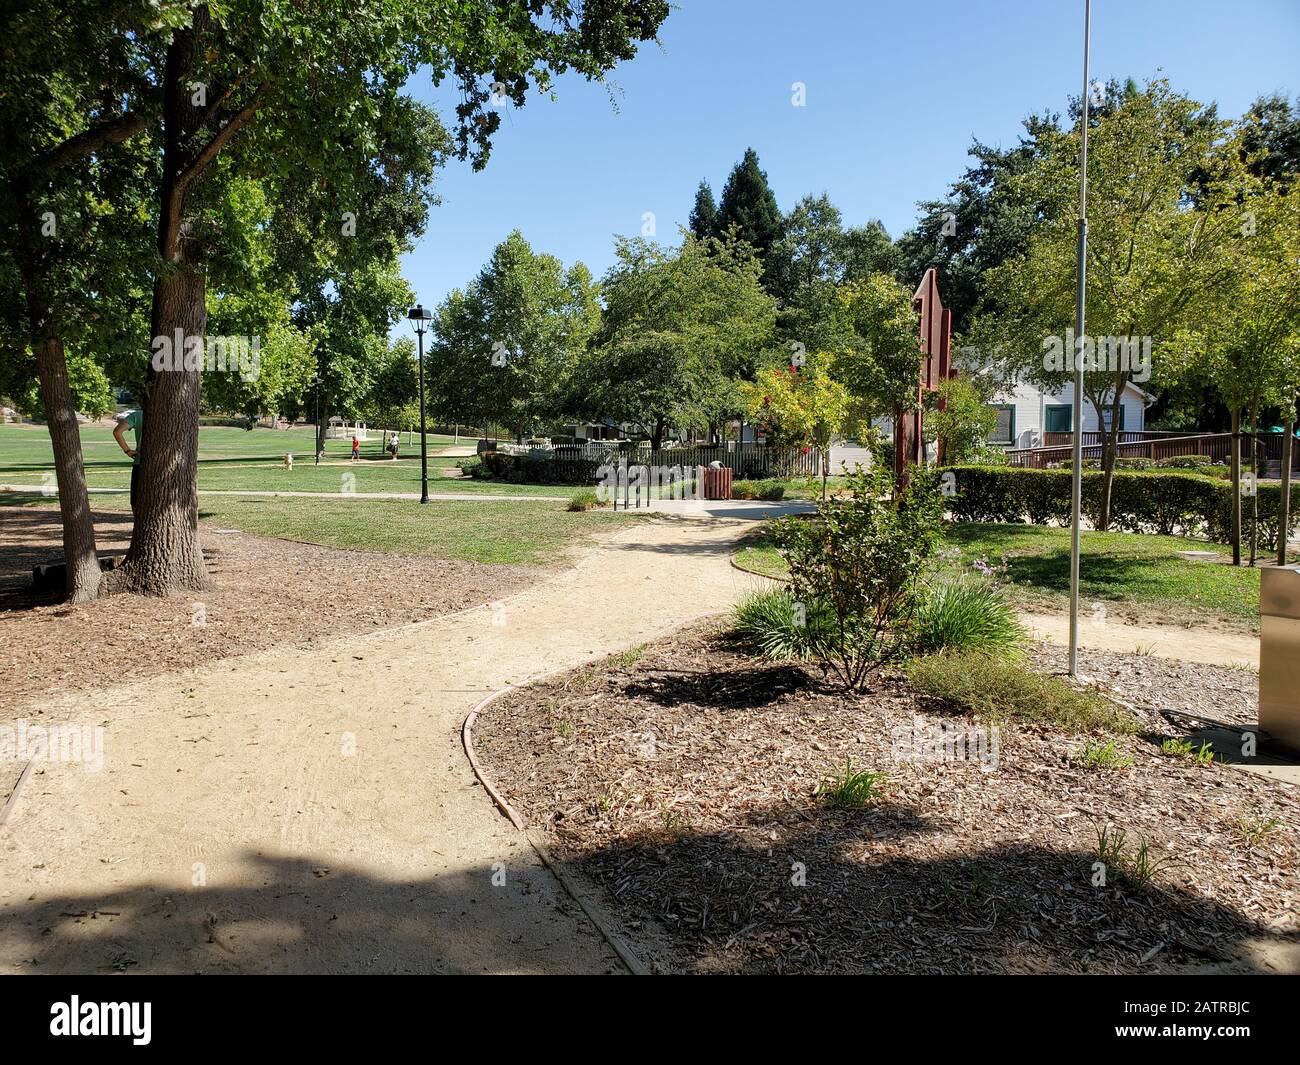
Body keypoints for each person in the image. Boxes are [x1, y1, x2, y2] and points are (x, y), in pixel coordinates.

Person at [112, 409, 144, 512]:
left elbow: (117, 432)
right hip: (166, 465)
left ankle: (138, 524)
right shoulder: (171, 414)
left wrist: (127, 451)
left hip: (140, 462)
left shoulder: (137, 415)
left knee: (135, 500)